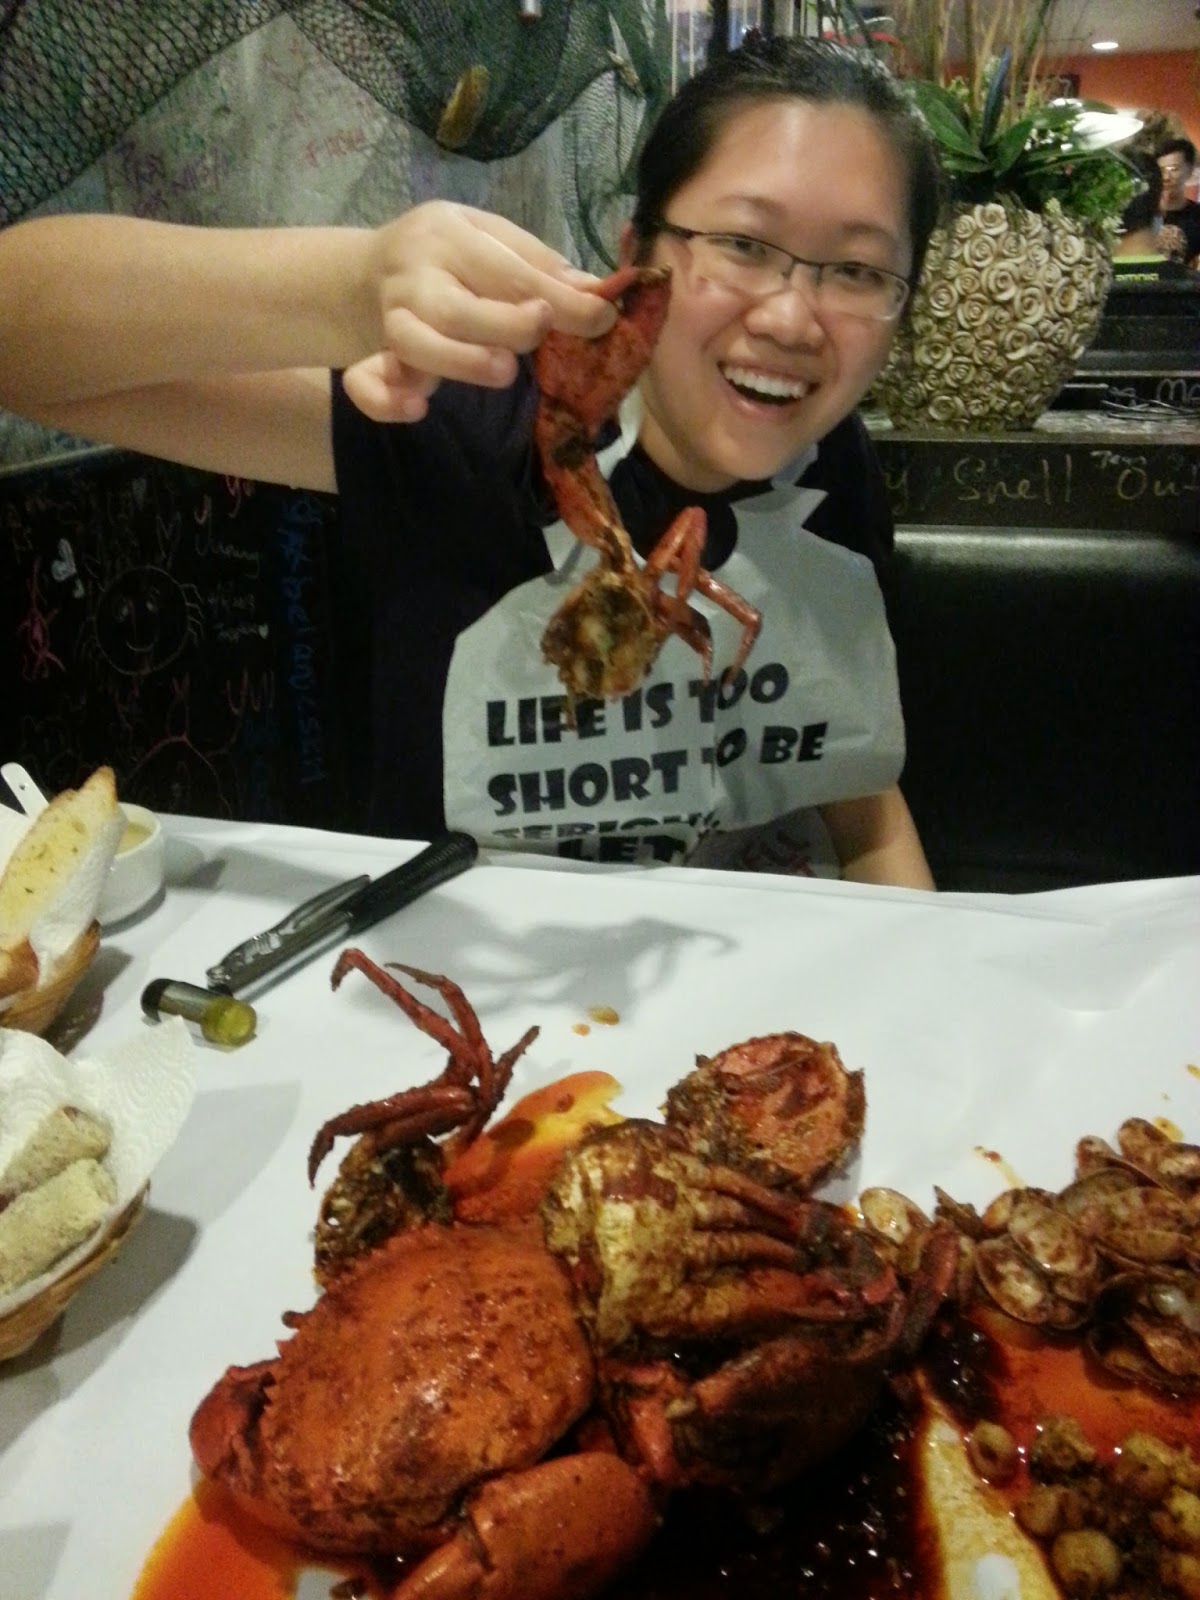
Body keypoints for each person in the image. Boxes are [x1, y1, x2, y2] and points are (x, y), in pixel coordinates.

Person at [0, 37, 939, 889]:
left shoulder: (830, 466)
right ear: (637, 251)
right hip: (470, 981)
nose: (790, 317)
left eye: (858, 271)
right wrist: (346, 289)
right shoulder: (470, 417)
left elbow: (850, 783)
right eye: (742, 244)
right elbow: (19, 351)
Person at [1155, 138, 1200, 267]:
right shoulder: (1140, 214)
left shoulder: (1197, 216)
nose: (1166, 177)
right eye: (1161, 170)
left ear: (1190, 171)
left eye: (1174, 169)